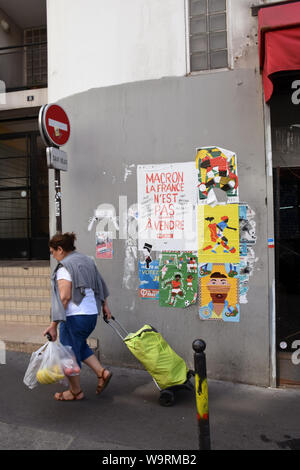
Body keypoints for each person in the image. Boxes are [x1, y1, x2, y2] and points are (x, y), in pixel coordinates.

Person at [43, 232, 112, 401]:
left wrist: (53, 325)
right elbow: (100, 284)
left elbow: (65, 297)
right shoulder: (87, 260)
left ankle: (75, 391)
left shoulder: (65, 267)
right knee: (78, 345)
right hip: (90, 315)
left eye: (53, 252)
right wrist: (105, 307)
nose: (53, 256)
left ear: (60, 249)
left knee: (68, 354)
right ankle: (101, 372)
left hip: (74, 317)